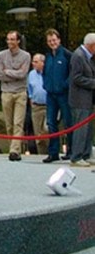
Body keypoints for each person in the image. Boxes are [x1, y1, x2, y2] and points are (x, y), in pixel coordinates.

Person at [0, 30, 31, 161]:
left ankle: (14, 150)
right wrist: (15, 73)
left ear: (18, 41)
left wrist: (8, 72)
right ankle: (14, 147)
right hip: (6, 93)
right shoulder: (1, 55)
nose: (9, 42)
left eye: (12, 39)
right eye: (8, 39)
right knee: (9, 124)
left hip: (20, 93)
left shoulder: (26, 56)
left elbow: (23, 74)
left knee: (18, 123)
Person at [42, 28, 72, 163]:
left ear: (59, 40)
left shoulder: (66, 55)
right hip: (50, 94)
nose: (52, 43)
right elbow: (45, 73)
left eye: (54, 40)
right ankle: (53, 152)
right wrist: (46, 84)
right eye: (49, 41)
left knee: (68, 122)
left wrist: (65, 85)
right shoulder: (48, 56)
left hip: (64, 94)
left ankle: (70, 151)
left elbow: (73, 73)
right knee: (51, 123)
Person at [69, 32, 95, 166]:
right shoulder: (78, 56)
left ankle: (86, 154)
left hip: (88, 99)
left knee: (88, 129)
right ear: (92, 45)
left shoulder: (88, 57)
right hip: (79, 99)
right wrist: (93, 83)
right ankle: (76, 157)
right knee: (81, 129)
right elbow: (76, 78)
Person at [27, 53, 48, 156]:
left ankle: (52, 152)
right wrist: (31, 98)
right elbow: (29, 89)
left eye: (36, 62)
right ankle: (41, 154)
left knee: (47, 130)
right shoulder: (31, 74)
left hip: (49, 106)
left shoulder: (49, 73)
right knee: (38, 133)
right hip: (36, 106)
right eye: (33, 61)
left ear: (42, 63)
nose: (33, 63)